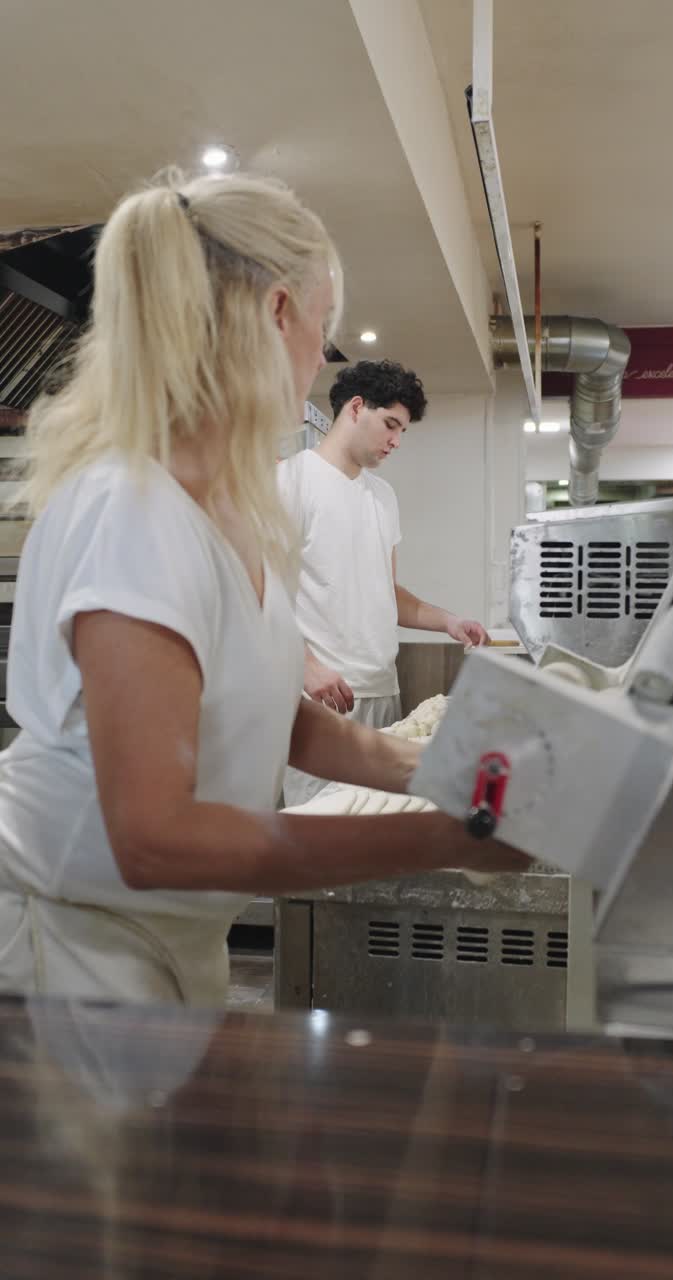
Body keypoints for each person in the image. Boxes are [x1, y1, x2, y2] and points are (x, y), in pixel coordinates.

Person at [0, 170, 528, 1008]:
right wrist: (443, 834)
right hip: (68, 947)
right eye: (323, 329)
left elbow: (273, 718)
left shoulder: (226, 508)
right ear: (278, 312)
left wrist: (453, 770)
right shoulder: (132, 508)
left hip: (161, 940)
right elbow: (156, 840)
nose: (322, 358)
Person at [278, 359, 490, 806]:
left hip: (383, 691)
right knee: (320, 835)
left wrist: (448, 621)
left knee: (380, 826)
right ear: (356, 408)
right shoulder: (291, 481)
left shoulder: (382, 497)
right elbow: (255, 588)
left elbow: (386, 592)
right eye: (390, 424)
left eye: (403, 431)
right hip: (321, 698)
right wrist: (305, 665)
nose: (396, 440)